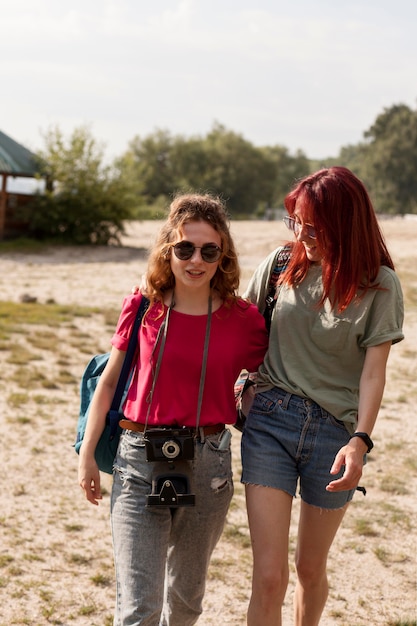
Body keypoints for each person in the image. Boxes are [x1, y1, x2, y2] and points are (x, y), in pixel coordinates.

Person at [78, 193, 268, 626]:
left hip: (209, 464)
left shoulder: (245, 320)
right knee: (139, 608)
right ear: (169, 249)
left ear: (223, 255)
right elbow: (108, 383)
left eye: (208, 250)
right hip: (137, 458)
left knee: (184, 602)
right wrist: (87, 454)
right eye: (185, 248)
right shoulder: (144, 306)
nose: (195, 260)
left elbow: (269, 380)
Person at [241, 166, 404, 626]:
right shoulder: (279, 265)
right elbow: (235, 330)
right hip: (269, 424)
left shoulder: (380, 285)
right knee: (268, 578)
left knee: (308, 569)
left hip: (335, 438)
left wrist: (360, 441)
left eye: (314, 226)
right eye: (296, 221)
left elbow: (374, 374)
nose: (302, 234)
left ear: (346, 223)